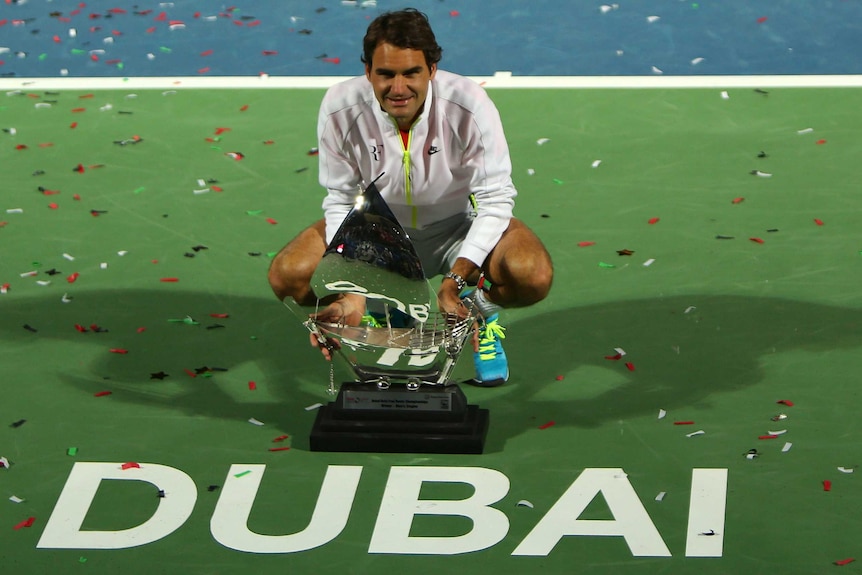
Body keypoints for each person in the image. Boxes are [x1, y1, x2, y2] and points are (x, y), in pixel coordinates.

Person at [268, 8, 553, 386]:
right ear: (368, 71)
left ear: (432, 69)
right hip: (376, 235)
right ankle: (389, 303)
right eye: (385, 74)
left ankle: (478, 309)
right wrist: (351, 289)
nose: (398, 88)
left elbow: (496, 200)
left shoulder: (468, 105)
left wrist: (455, 279)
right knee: (288, 275)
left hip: (456, 231)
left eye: (411, 73)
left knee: (531, 274)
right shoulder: (340, 107)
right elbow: (340, 200)